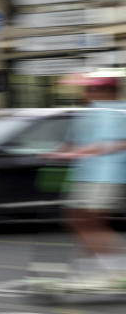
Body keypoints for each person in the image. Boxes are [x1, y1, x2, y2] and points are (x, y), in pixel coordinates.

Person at [50, 76, 126, 285]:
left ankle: (115, 271)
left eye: (91, 90)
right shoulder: (91, 112)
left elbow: (113, 143)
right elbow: (72, 142)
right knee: (76, 220)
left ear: (108, 92)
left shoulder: (116, 112)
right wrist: (58, 152)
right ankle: (96, 270)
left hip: (106, 175)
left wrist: (80, 152)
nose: (86, 94)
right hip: (85, 174)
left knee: (91, 222)